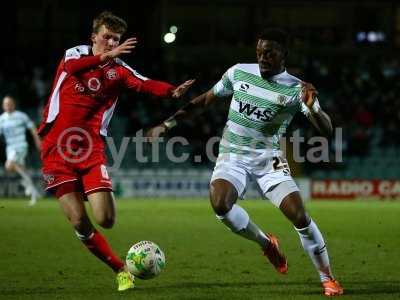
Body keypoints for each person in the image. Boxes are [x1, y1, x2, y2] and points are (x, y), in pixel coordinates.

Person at [147, 28, 343, 297]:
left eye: (270, 53)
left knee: (300, 216)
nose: (262, 57)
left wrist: (312, 107)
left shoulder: (297, 89)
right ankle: (266, 243)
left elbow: (327, 130)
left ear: (284, 54)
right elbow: (204, 100)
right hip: (232, 156)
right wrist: (166, 125)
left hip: (268, 160)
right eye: (260, 52)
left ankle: (328, 278)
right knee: (220, 204)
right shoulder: (239, 72)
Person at [38, 11, 194, 291]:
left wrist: (171, 91)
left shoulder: (118, 70)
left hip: (90, 149)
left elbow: (144, 82)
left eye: (116, 39)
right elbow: (73, 70)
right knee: (78, 221)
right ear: (94, 37)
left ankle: (93, 199)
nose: (111, 42)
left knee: (106, 219)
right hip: (55, 148)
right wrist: (108, 56)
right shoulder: (75, 55)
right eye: (107, 37)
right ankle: (120, 269)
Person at [0, 95, 41, 206]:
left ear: (13, 104)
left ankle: (29, 188)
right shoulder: (2, 119)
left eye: (9, 103)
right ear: (3, 106)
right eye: (5, 104)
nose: (7, 105)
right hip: (10, 148)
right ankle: (33, 192)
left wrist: (37, 140)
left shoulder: (21, 116)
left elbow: (32, 128)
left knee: (9, 165)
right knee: (21, 170)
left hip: (21, 146)